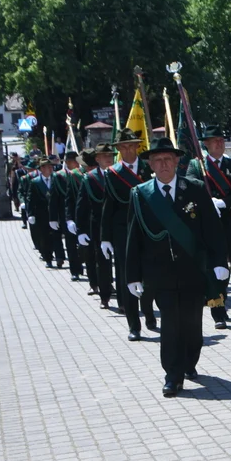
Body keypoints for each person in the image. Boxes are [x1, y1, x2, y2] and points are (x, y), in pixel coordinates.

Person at [126, 137, 229, 397]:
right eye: (158, 160)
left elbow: (212, 230)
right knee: (171, 323)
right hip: (159, 273)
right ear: (150, 164)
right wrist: (132, 275)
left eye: (168, 159)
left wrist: (219, 262)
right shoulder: (141, 195)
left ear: (176, 162)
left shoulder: (193, 189)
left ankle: (190, 362)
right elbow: (134, 236)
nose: (163, 165)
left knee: (193, 323)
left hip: (193, 269)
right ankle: (172, 374)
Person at [101, 129, 158, 341]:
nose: (127, 150)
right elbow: (108, 206)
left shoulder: (147, 169)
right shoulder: (112, 173)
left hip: (148, 229)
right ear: (118, 150)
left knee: (149, 276)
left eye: (131, 146)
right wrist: (105, 237)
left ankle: (150, 315)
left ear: (137, 147)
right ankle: (134, 325)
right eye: (123, 147)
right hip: (123, 231)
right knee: (127, 277)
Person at [187, 126, 231, 329]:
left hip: (230, 222)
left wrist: (225, 203)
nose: (218, 143)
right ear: (206, 144)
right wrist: (208, 202)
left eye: (221, 139)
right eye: (214, 140)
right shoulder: (196, 165)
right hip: (208, 224)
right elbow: (192, 188)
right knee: (216, 267)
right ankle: (218, 311)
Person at [77, 144, 115, 309]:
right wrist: (80, 230)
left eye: (110, 155)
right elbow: (82, 205)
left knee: (122, 262)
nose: (108, 158)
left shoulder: (119, 174)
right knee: (103, 261)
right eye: (104, 155)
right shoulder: (90, 178)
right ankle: (104, 296)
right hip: (98, 224)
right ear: (97, 159)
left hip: (118, 223)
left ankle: (123, 298)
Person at [50, 150, 85, 282]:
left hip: (82, 213)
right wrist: (53, 218)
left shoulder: (82, 175)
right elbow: (54, 197)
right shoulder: (59, 176)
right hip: (66, 214)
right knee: (70, 244)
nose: (76, 164)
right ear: (68, 162)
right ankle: (75, 270)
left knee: (83, 244)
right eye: (74, 162)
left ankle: (81, 264)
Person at [25, 157, 65, 268]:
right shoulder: (35, 182)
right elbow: (30, 199)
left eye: (51, 166)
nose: (49, 168)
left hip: (56, 213)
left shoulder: (57, 179)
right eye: (46, 167)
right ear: (41, 169)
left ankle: (60, 257)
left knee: (57, 235)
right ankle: (47, 258)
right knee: (44, 237)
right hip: (41, 214)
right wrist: (31, 214)